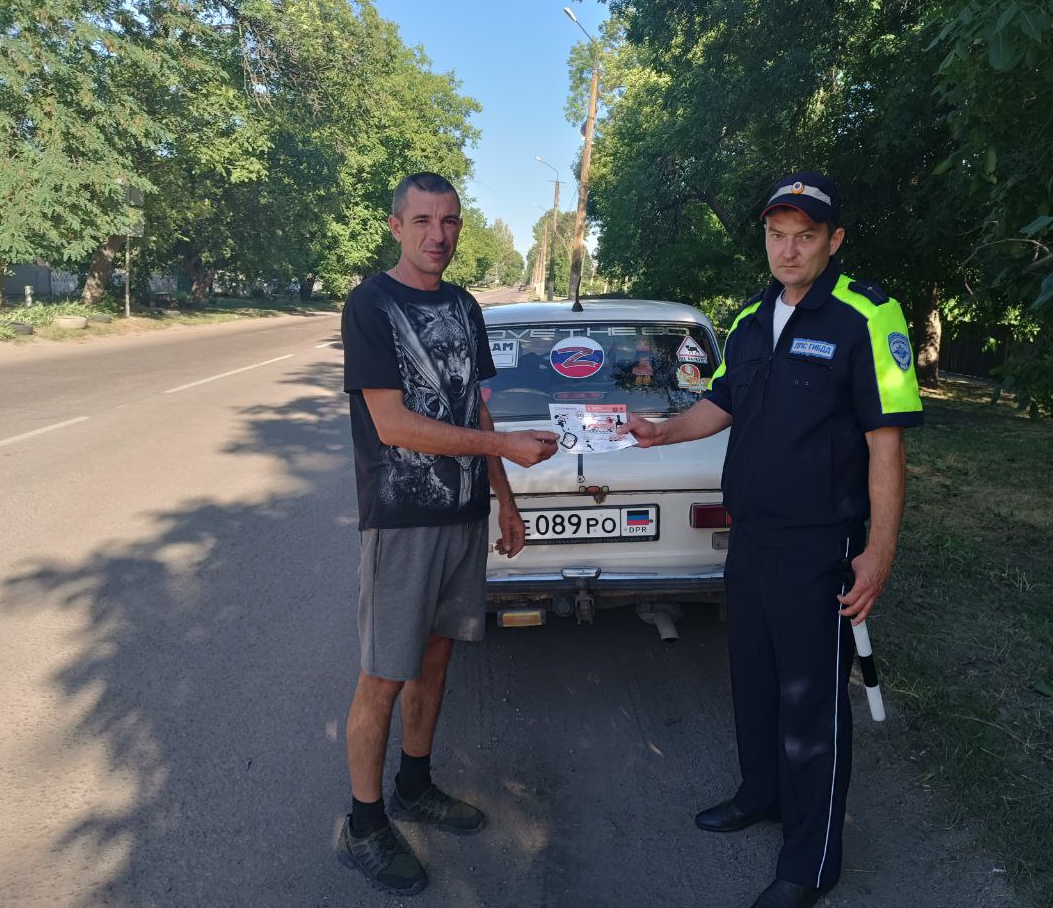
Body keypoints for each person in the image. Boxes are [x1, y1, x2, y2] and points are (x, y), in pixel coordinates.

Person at [618, 171, 923, 908]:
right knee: (753, 681)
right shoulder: (753, 317)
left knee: (810, 702)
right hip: (750, 535)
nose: (788, 250)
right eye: (777, 234)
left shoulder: (866, 317)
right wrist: (662, 432)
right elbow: (721, 404)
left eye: (805, 236)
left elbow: (887, 445)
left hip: (819, 544)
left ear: (833, 240)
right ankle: (760, 793)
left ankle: (811, 863)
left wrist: (879, 550)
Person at [337, 171, 558, 896]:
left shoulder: (465, 305)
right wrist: (504, 454)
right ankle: (363, 826)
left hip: (463, 514)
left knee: (435, 659)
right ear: (396, 225)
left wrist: (505, 499)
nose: (440, 235)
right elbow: (393, 424)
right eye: (425, 220)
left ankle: (415, 786)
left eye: (451, 221)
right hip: (402, 521)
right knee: (383, 674)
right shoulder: (370, 305)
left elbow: (476, 409)